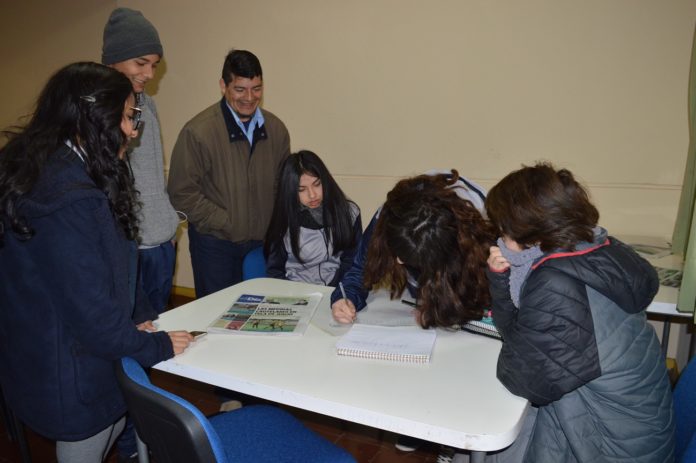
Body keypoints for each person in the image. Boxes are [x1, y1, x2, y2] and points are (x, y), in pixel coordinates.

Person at [0, 62, 193, 463]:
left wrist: (139, 313)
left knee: (113, 428)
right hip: (69, 368)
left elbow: (114, 263)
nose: (131, 130)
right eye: (125, 117)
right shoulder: (66, 195)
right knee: (88, 444)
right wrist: (154, 344)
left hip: (59, 355)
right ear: (92, 119)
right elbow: (92, 311)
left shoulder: (60, 167)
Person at [484, 163, 674, 462]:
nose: (499, 239)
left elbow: (523, 379)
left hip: (614, 447)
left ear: (531, 236)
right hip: (642, 428)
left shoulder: (555, 281)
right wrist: (501, 278)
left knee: (494, 435)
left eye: (503, 230)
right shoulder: (596, 248)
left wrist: (509, 279)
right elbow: (524, 344)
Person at [168, 49, 290, 298]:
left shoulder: (276, 129)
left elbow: (283, 186)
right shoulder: (197, 132)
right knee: (217, 318)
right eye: (240, 89)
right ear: (223, 85)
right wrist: (227, 223)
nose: (249, 97)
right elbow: (182, 193)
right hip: (215, 245)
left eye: (256, 88)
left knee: (261, 317)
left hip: (262, 245)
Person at [331, 170, 492, 328]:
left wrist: (440, 311)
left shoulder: (480, 222)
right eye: (398, 252)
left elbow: (487, 291)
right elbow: (360, 268)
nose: (398, 261)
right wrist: (346, 298)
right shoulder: (390, 217)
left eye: (408, 257)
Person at [102, 7, 180, 315]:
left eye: (154, 64)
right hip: (128, 251)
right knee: (129, 340)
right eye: (141, 63)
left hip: (161, 246)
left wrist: (169, 229)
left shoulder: (148, 106)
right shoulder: (94, 112)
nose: (149, 74)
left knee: (155, 334)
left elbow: (154, 177)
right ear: (113, 59)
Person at [264, 150, 362, 286]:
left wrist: (336, 291)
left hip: (338, 289)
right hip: (296, 292)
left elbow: (353, 260)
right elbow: (275, 273)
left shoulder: (349, 212)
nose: (312, 195)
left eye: (317, 184)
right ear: (290, 191)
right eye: (301, 189)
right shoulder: (283, 220)